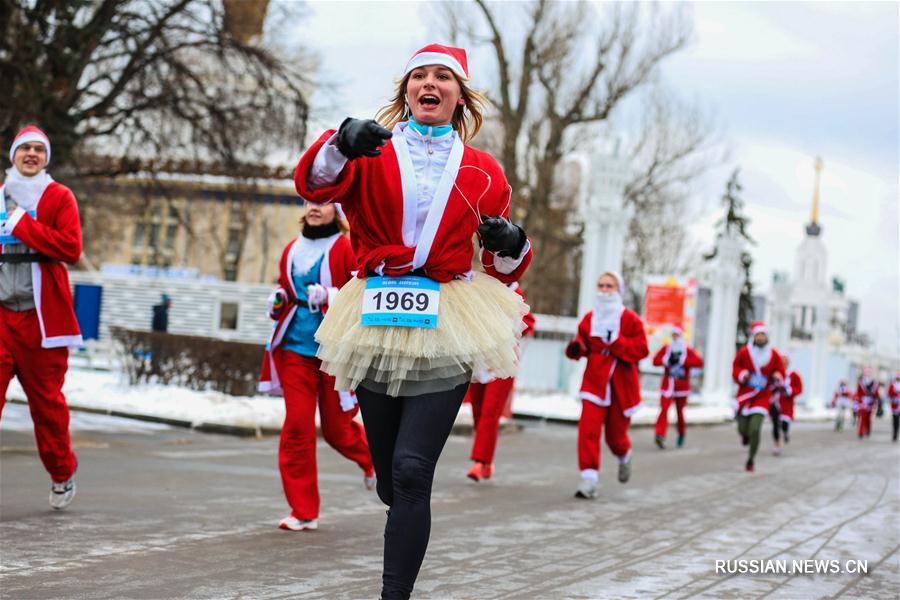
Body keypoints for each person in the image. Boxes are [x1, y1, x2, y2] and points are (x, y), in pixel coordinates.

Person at [293, 44, 532, 599]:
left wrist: (510, 241)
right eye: (418, 75)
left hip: (448, 313)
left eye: (442, 77)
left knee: (411, 470)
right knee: (391, 477)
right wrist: (339, 142)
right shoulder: (371, 150)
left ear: (459, 95)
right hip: (374, 309)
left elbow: (504, 266)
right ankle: (399, 507)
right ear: (406, 92)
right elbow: (314, 185)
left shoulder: (484, 170)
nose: (429, 83)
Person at [259, 201, 375, 532]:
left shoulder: (345, 247)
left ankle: (372, 460)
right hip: (294, 349)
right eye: (310, 202)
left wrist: (330, 296)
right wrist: (279, 298)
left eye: (323, 203)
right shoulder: (292, 249)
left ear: (336, 212)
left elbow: (361, 293)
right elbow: (287, 287)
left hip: (332, 352)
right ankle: (303, 510)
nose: (315, 208)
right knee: (297, 425)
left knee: (337, 430)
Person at [0, 126, 83, 509]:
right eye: (24, 148)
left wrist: (22, 224)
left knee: (46, 406)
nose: (30, 154)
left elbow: (70, 247)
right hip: (2, 315)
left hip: (40, 319)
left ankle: (62, 472)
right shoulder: (0, 194)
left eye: (38, 149)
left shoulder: (59, 196)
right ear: (13, 154)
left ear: (46, 158)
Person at [565, 271, 648, 499]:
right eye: (600, 285)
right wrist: (577, 348)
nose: (604, 290)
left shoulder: (630, 319)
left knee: (615, 437)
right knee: (588, 431)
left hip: (621, 385)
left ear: (618, 290)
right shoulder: (590, 318)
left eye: (609, 286)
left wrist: (617, 342)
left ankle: (624, 455)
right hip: (594, 382)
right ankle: (589, 479)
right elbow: (582, 343)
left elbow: (642, 349)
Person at [465, 281, 535, 481]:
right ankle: (486, 462)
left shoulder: (515, 291)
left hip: (503, 362)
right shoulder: (481, 287)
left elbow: (529, 321)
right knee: (478, 409)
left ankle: (480, 461)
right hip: (480, 359)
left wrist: (515, 329)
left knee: (490, 411)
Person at [731, 322, 785, 472]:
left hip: (762, 396)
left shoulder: (773, 354)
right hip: (745, 395)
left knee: (755, 428)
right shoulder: (745, 352)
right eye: (758, 335)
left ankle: (750, 459)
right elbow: (735, 368)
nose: (760, 338)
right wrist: (743, 374)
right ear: (753, 336)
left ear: (767, 337)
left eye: (763, 335)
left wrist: (777, 375)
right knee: (743, 429)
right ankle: (745, 435)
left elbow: (780, 370)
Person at [652, 325, 703, 449]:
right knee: (664, 410)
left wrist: (682, 360)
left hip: (681, 387)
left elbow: (699, 362)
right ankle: (660, 434)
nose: (675, 337)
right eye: (673, 335)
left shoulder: (686, 350)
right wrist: (667, 360)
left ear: (681, 336)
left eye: (677, 335)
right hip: (668, 385)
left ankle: (681, 433)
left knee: (680, 413)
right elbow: (655, 360)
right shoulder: (667, 349)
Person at [769, 353, 802, 455]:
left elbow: (799, 388)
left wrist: (789, 391)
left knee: (784, 424)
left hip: (786, 405)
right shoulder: (774, 374)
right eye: (782, 362)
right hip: (774, 402)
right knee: (775, 425)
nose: (784, 364)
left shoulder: (793, 375)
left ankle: (785, 432)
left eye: (786, 362)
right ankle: (776, 445)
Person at [854, 368, 881, 439]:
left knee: (868, 418)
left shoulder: (874, 383)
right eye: (866, 373)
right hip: (863, 402)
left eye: (868, 373)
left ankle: (868, 430)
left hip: (871, 402)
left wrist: (877, 400)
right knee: (862, 417)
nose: (867, 374)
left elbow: (876, 393)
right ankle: (861, 432)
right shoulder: (861, 382)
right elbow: (858, 392)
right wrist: (857, 401)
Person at [888, 372, 900, 442]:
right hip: (895, 406)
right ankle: (895, 434)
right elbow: (889, 393)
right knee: (895, 421)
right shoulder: (893, 385)